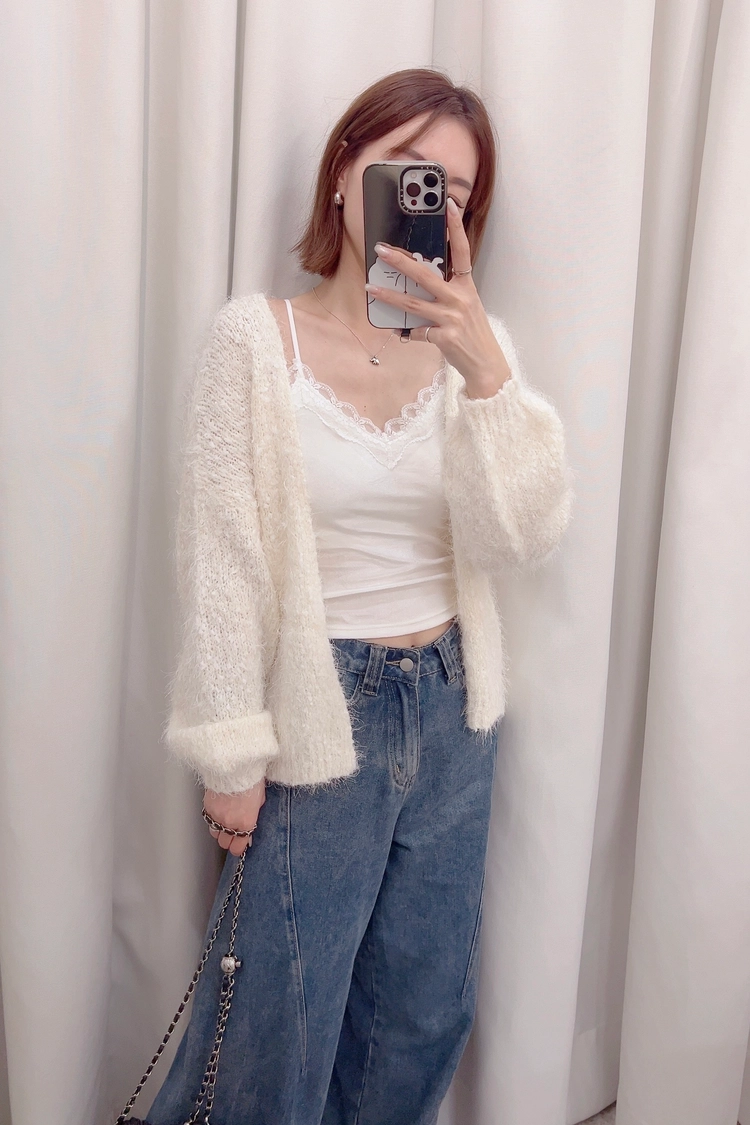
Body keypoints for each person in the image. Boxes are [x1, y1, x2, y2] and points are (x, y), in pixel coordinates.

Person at [146, 68, 574, 1125]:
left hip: (455, 708)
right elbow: (221, 562)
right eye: (407, 173)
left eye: (454, 192)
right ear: (345, 173)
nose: (430, 202)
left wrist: (485, 374)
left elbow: (522, 538)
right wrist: (230, 755)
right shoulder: (256, 343)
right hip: (319, 710)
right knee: (276, 1023)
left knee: (417, 1015)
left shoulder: (477, 353)